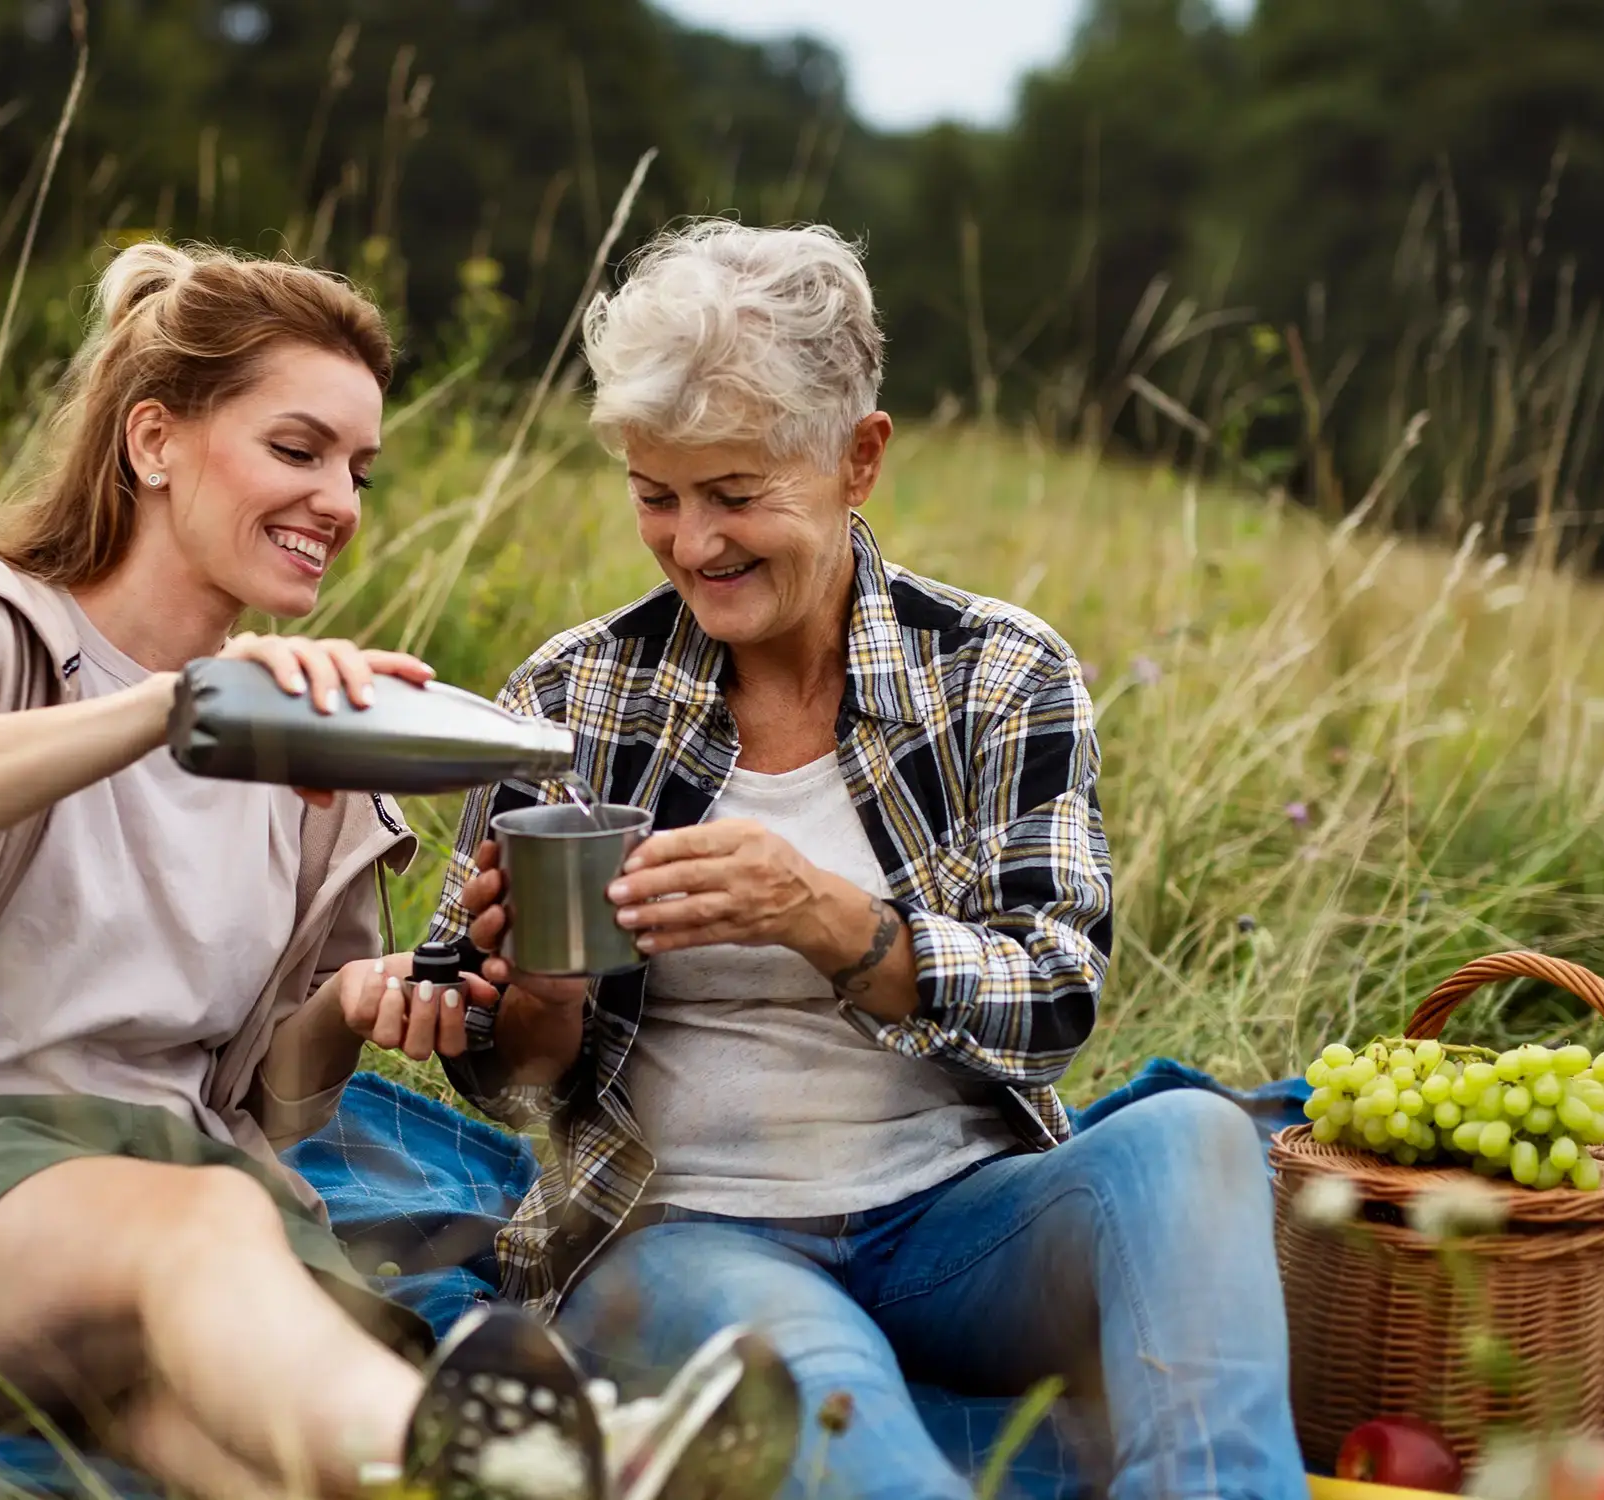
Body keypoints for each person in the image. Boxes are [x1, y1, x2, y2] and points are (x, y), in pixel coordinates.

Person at [0, 240, 773, 1500]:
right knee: (211, 1226)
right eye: (297, 451)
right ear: (153, 443)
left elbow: (256, 1102)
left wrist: (348, 1012)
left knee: (256, 1463)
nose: (340, 502)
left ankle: (536, 1486)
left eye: (359, 469)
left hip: (166, 1221)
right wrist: (169, 709)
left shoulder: (313, 746)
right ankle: (544, 1459)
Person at [402, 221, 1310, 1500]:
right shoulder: (572, 694)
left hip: (960, 1221)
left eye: (736, 494)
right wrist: (533, 992)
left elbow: (1057, 1005)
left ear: (858, 458)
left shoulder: (999, 673)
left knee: (1196, 1140)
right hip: (689, 1235)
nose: (691, 543)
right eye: (656, 495)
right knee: (821, 1394)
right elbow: (511, 1082)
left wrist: (830, 918)